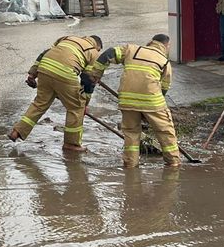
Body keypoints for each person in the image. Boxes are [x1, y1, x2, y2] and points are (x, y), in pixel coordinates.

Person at [88, 34, 180, 168]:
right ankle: (173, 163)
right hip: (152, 101)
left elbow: (108, 54)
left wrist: (95, 74)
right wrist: (150, 109)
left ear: (150, 42)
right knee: (165, 131)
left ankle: (130, 164)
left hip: (127, 100)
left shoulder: (132, 49)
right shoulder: (164, 61)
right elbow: (164, 88)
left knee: (131, 133)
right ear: (166, 46)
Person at [9, 35, 103, 152]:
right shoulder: (94, 52)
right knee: (76, 108)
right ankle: (72, 144)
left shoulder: (68, 38)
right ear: (97, 46)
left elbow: (45, 53)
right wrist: (85, 101)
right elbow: (87, 78)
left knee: (39, 104)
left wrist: (33, 74)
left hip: (45, 68)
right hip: (65, 72)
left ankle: (17, 131)